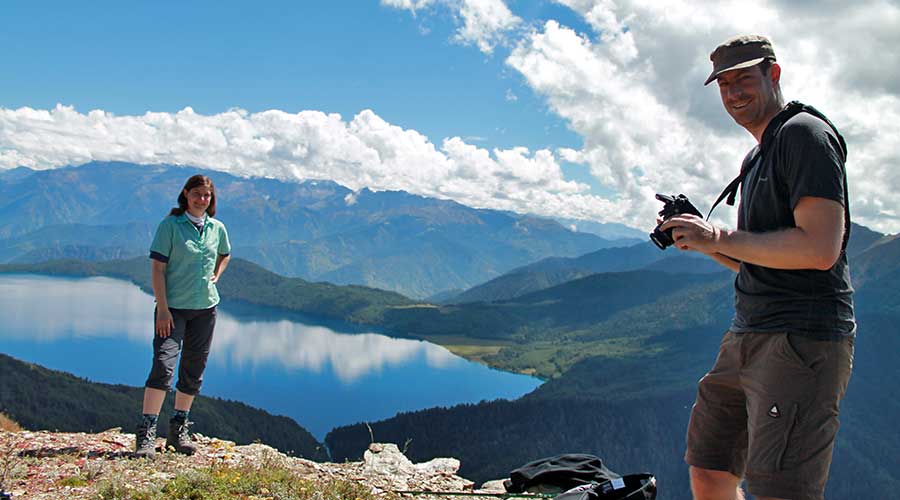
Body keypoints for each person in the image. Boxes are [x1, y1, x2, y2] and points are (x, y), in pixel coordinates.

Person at [659, 36, 855, 500]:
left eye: (744, 78)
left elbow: (820, 248)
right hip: (748, 334)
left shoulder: (805, 135)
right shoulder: (758, 154)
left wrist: (720, 237)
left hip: (801, 341)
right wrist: (702, 242)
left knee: (779, 489)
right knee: (709, 468)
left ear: (774, 74)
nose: (733, 92)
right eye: (724, 83)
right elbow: (759, 258)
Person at [134, 174, 231, 458]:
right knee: (163, 367)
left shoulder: (217, 228)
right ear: (186, 194)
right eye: (197, 194)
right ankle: (146, 434)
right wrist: (162, 309)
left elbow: (225, 253)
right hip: (173, 310)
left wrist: (217, 274)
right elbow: (157, 270)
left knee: (193, 371)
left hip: (205, 309)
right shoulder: (171, 226)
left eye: (207, 196)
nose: (202, 200)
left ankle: (178, 430)